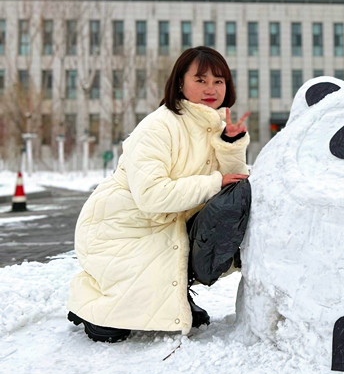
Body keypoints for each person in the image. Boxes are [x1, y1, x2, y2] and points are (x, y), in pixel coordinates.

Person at [67, 46, 250, 343]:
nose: (211, 89)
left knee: (237, 200)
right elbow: (151, 196)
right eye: (200, 80)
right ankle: (90, 304)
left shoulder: (214, 126)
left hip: (167, 223)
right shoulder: (157, 126)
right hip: (123, 230)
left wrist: (231, 145)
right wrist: (214, 183)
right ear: (180, 82)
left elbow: (232, 184)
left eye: (219, 81)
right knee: (110, 330)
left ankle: (174, 292)